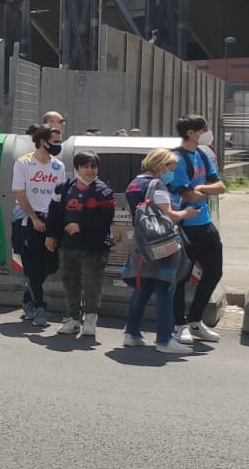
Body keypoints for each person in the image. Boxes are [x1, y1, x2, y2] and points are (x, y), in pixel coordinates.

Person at [122, 148, 196, 354]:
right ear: (161, 165)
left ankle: (132, 333)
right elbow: (169, 215)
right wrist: (186, 213)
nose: (171, 171)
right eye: (170, 167)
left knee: (142, 287)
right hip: (161, 244)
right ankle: (164, 339)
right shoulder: (158, 185)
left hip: (141, 243)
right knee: (164, 289)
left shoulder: (134, 183)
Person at [45, 151, 116, 337]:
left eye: (93, 166)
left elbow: (105, 219)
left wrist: (81, 226)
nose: (89, 170)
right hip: (68, 245)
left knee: (92, 282)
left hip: (94, 246)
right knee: (70, 281)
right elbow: (53, 214)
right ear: (77, 168)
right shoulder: (63, 188)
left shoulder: (103, 191)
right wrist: (50, 236)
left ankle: (90, 318)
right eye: (85, 166)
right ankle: (72, 319)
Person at [168, 114, 226, 344]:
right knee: (181, 278)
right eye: (203, 129)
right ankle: (178, 324)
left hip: (204, 223)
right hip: (185, 227)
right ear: (191, 133)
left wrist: (201, 187)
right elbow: (186, 194)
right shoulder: (176, 158)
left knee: (214, 271)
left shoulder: (202, 154)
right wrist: (201, 191)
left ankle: (195, 320)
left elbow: (220, 186)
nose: (207, 133)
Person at [12, 123, 66, 328]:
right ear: (43, 142)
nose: (58, 144)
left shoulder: (58, 166)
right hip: (28, 221)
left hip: (51, 222)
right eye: (55, 141)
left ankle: (28, 298)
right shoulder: (23, 163)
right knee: (32, 266)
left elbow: (59, 195)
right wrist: (34, 218)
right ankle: (40, 307)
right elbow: (19, 192)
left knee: (51, 265)